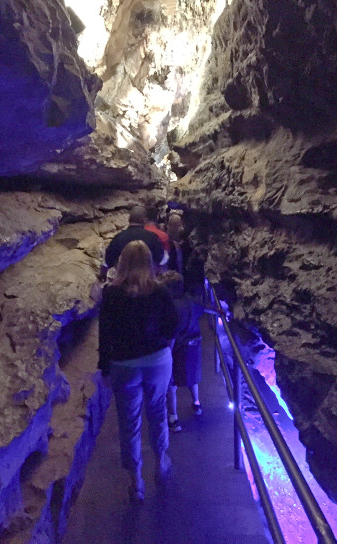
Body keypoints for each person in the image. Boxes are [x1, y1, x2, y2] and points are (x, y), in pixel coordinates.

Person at [98, 241, 179, 501]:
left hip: (124, 364)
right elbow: (173, 324)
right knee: (157, 413)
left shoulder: (111, 293)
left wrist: (105, 367)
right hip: (157, 360)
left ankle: (136, 481)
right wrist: (163, 343)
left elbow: (105, 333)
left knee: (129, 423)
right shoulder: (159, 291)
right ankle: (161, 461)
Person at [157, 270, 218, 432]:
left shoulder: (168, 308)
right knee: (192, 377)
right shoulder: (190, 301)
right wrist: (221, 312)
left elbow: (169, 332)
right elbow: (206, 308)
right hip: (193, 345)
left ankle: (173, 417)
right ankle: (196, 404)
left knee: (171, 383)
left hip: (176, 347)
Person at [99, 205, 166, 281]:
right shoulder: (153, 237)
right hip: (146, 282)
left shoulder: (119, 237)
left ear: (129, 219)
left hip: (123, 283)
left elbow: (108, 261)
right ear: (145, 220)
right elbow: (160, 258)